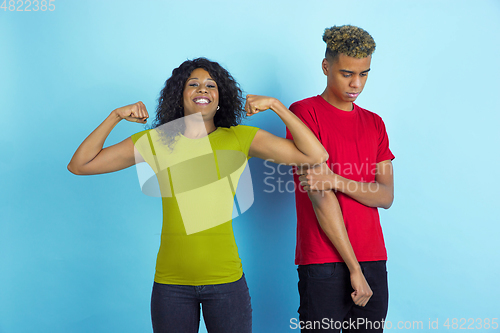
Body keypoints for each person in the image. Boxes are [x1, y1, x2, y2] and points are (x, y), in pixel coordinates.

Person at [67, 57, 328, 333]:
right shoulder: (157, 141)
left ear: (220, 98)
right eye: (193, 84)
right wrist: (115, 116)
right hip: (171, 286)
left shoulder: (239, 138)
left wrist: (276, 106)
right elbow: (80, 165)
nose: (202, 89)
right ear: (180, 95)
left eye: (210, 85)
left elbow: (316, 155)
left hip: (226, 282)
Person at [287, 25, 395, 332]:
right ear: (326, 67)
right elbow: (319, 199)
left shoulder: (375, 123)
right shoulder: (304, 113)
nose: (356, 83)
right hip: (323, 259)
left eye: (364, 74)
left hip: (373, 257)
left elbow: (385, 196)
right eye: (347, 73)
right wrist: (353, 268)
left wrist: (334, 178)